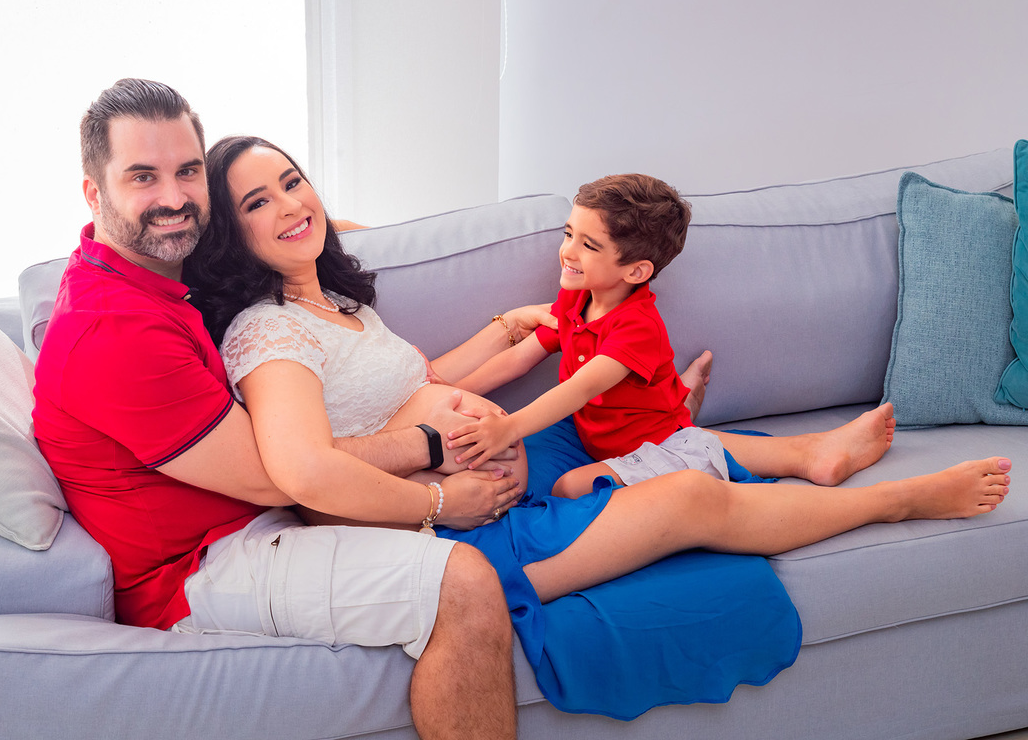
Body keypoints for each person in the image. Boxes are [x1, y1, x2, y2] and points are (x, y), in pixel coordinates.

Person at [185, 133, 1011, 719]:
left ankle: (800, 455)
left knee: (640, 444)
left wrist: (507, 328)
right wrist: (444, 496)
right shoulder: (269, 336)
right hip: (449, 530)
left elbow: (422, 385)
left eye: (293, 181)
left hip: (494, 482)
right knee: (686, 495)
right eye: (258, 201)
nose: (290, 204)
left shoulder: (335, 303)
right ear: (230, 231)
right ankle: (895, 501)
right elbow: (309, 474)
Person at [31, 79, 524, 739]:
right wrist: (434, 473)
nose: (173, 198)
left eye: (187, 172)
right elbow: (281, 475)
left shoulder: (150, 273)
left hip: (260, 518)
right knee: (460, 584)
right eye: (143, 177)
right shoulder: (112, 328)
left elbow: (276, 240)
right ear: (95, 193)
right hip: (204, 565)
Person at [443, 172, 898, 499]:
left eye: (588, 244)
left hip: (654, 443)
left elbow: (579, 389)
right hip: (607, 434)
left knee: (573, 487)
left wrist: (509, 427)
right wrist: (446, 391)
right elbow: (520, 357)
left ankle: (814, 453)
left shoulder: (637, 327)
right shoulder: (576, 297)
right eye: (569, 234)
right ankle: (683, 394)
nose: (567, 252)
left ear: (636, 271)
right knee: (660, 425)